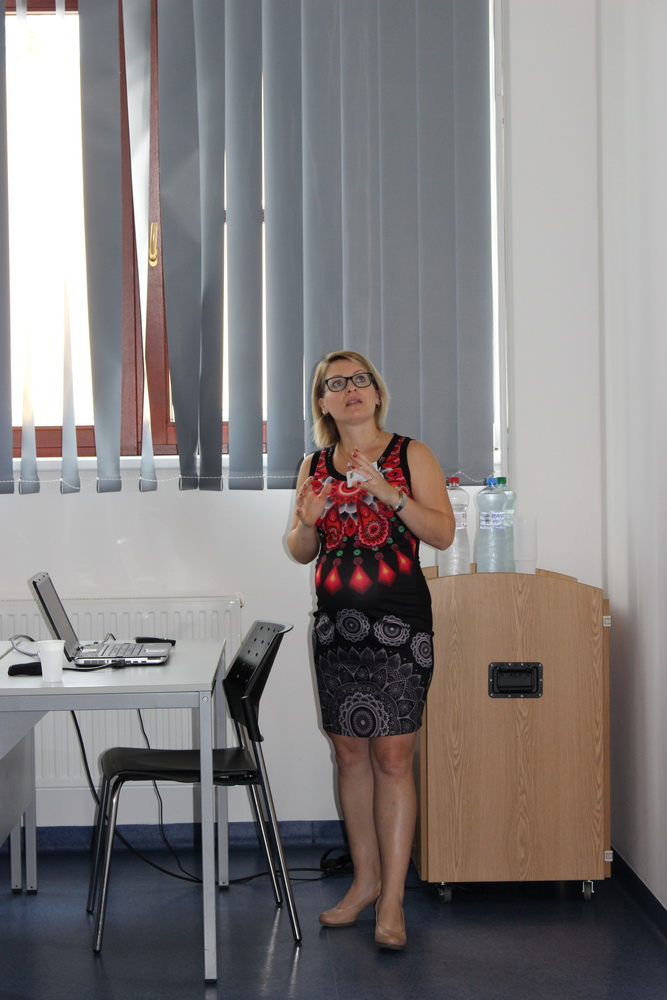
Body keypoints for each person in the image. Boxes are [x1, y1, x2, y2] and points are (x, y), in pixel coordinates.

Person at [286, 349, 455, 950]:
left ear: (377, 393)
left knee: (393, 757)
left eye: (359, 379)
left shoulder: (411, 454)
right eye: (336, 384)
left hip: (400, 629)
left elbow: (443, 532)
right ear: (323, 403)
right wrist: (309, 520)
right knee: (349, 755)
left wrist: (389, 493)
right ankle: (364, 883)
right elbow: (300, 549)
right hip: (337, 630)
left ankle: (392, 900)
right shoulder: (313, 465)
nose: (350, 389)